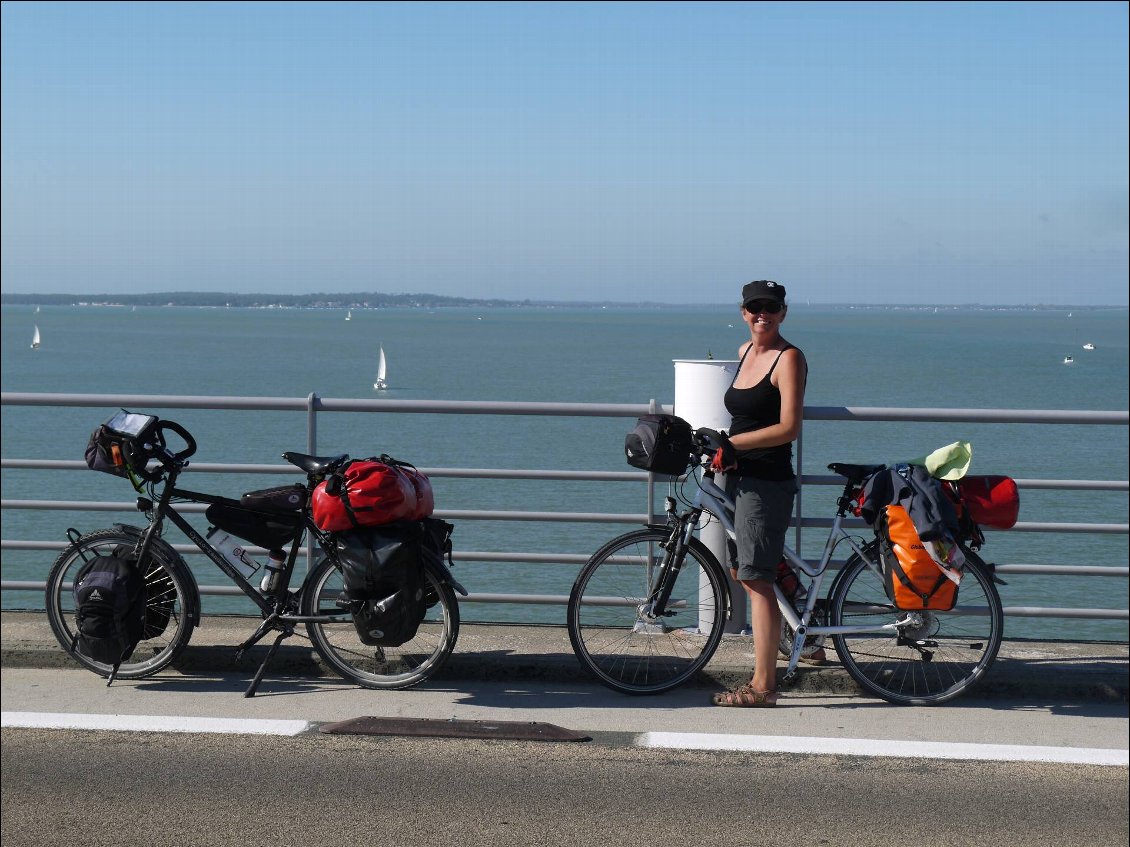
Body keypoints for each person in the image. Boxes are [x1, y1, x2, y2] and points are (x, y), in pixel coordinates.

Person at [711, 279, 808, 707]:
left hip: (766, 480)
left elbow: (789, 427)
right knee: (745, 571)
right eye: (754, 308)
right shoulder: (745, 352)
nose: (761, 314)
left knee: (756, 577)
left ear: (783, 312)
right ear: (743, 312)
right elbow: (742, 417)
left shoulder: (789, 359)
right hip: (737, 475)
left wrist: (733, 445)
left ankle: (764, 687)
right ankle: (813, 632)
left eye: (770, 307)